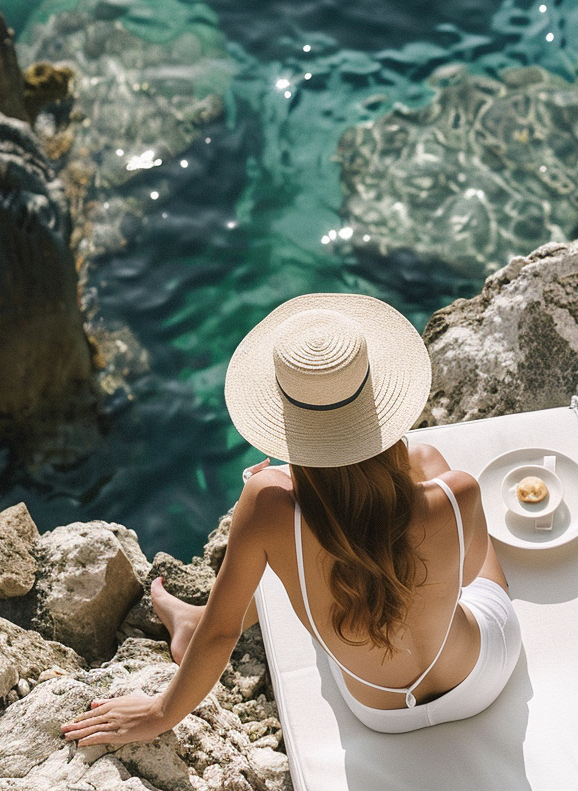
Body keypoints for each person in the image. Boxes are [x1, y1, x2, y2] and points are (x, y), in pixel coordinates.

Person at [62, 293, 522, 747]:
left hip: (380, 712)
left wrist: (160, 714)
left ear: (286, 421)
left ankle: (196, 619)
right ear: (378, 403)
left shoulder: (267, 504)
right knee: (426, 459)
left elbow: (222, 635)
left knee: (295, 541)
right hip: (481, 678)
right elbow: (464, 578)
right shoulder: (459, 492)